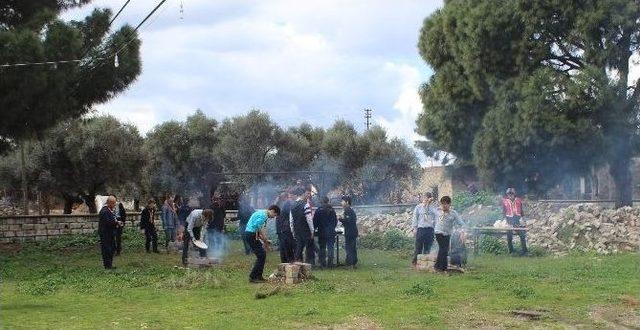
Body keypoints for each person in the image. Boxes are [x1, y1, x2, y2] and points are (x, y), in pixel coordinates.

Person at [244, 205, 280, 283]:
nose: (274, 217)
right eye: (275, 215)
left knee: (262, 255)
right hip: (250, 235)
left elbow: (256, 229)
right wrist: (265, 239)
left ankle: (259, 276)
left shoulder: (262, 213)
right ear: (272, 211)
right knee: (261, 255)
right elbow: (258, 228)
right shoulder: (263, 215)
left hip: (250, 234)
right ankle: (253, 277)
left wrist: (264, 240)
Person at [434, 196, 465, 272]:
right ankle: (442, 268)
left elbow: (461, 223)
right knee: (444, 249)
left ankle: (437, 266)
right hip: (439, 232)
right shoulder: (438, 211)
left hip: (447, 234)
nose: (444, 206)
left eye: (446, 204)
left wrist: (462, 232)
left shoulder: (453, 213)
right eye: (442, 204)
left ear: (449, 204)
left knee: (443, 249)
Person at [411, 192, 438, 266]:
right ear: (423, 198)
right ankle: (415, 262)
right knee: (418, 247)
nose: (425, 199)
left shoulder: (433, 208)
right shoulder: (418, 207)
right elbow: (415, 218)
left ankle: (425, 264)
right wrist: (414, 228)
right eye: (424, 197)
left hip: (430, 229)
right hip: (421, 229)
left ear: (430, 199)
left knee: (428, 247)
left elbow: (437, 218)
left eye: (427, 198)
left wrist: (436, 228)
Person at [291, 187, 315, 265]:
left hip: (297, 229)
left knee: (299, 247)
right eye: (306, 194)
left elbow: (291, 221)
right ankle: (309, 264)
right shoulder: (306, 205)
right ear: (303, 194)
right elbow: (309, 219)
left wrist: (293, 231)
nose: (308, 195)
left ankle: (297, 263)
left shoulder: (293, 205)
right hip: (305, 230)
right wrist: (312, 231)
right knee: (309, 247)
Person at [98, 196, 122, 269]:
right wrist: (117, 223)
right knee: (107, 250)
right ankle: (107, 266)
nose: (115, 205)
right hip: (105, 234)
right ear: (110, 203)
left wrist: (117, 222)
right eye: (114, 203)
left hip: (110, 233)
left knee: (112, 249)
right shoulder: (104, 211)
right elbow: (108, 222)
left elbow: (111, 220)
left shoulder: (109, 210)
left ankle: (110, 265)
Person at [313, 196, 338, 268]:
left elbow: (315, 222)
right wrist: (332, 228)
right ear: (328, 201)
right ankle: (330, 263)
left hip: (322, 232)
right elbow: (335, 221)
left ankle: (323, 263)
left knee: (322, 248)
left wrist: (314, 229)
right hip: (330, 232)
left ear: (321, 202)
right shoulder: (332, 210)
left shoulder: (318, 210)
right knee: (331, 247)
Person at [503, 187, 528, 255]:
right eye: (509, 194)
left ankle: (524, 251)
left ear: (514, 194)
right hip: (509, 220)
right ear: (507, 195)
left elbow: (521, 211)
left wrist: (523, 219)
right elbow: (504, 212)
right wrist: (505, 221)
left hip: (517, 220)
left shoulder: (519, 200)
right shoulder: (505, 201)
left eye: (511, 194)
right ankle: (511, 251)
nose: (510, 195)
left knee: (522, 235)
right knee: (509, 236)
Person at [276, 191, 295, 263]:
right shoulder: (286, 204)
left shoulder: (279, 203)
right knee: (286, 245)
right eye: (289, 197)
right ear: (286, 197)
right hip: (284, 227)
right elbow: (290, 215)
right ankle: (288, 260)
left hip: (280, 227)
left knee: (283, 245)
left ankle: (284, 261)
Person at [339, 195, 358, 268]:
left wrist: (340, 219)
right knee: (352, 247)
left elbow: (349, 221)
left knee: (349, 248)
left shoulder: (348, 210)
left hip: (350, 232)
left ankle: (350, 264)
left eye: (342, 201)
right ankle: (352, 263)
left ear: (347, 202)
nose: (341, 203)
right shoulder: (348, 210)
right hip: (352, 231)